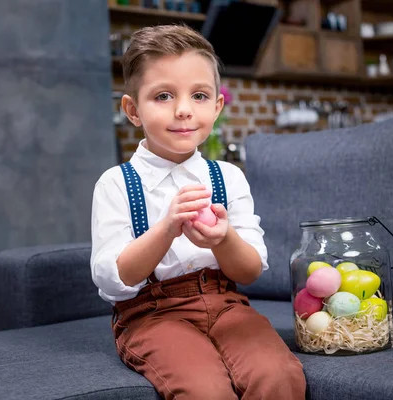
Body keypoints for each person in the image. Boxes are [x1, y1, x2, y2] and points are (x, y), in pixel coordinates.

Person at [90, 24, 306, 400]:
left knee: (279, 376)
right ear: (132, 109)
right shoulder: (116, 184)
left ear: (217, 106)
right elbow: (113, 281)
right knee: (206, 390)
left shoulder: (228, 178)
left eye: (200, 95)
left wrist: (224, 239)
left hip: (226, 305)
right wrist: (166, 229)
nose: (184, 110)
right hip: (152, 315)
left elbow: (249, 270)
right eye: (162, 96)